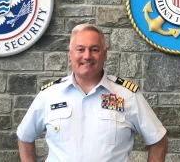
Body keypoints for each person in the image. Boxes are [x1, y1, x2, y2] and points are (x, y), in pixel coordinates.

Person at [17, 24, 168, 162]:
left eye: (94, 49)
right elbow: (24, 137)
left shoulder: (127, 95)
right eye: (80, 49)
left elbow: (159, 141)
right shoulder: (50, 95)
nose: (87, 56)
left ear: (105, 55)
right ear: (70, 54)